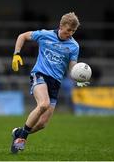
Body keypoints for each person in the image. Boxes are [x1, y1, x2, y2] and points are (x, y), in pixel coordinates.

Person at [10, 12, 89, 154]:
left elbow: (72, 66)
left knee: (42, 124)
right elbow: (22, 36)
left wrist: (78, 77)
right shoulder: (44, 34)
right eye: (68, 30)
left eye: (73, 31)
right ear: (61, 26)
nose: (70, 34)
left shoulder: (74, 46)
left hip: (55, 82)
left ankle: (19, 133)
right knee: (43, 104)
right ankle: (21, 140)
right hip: (39, 74)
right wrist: (16, 54)